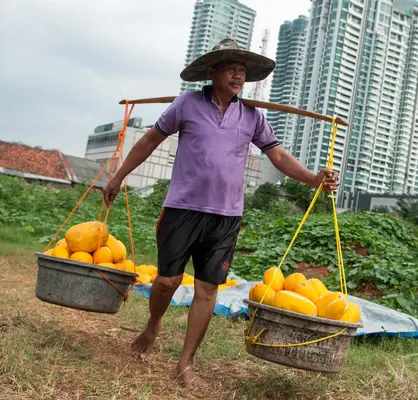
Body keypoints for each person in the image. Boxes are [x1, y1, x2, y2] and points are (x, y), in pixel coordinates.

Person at [102, 38, 339, 387]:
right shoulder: (186, 104)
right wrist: (118, 176)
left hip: (226, 216)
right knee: (167, 281)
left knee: (208, 289)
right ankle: (153, 325)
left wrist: (313, 179)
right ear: (213, 72)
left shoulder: (252, 116)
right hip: (182, 208)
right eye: (231, 68)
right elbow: (149, 140)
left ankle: (185, 363)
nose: (238, 75)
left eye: (242, 71)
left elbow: (277, 156)